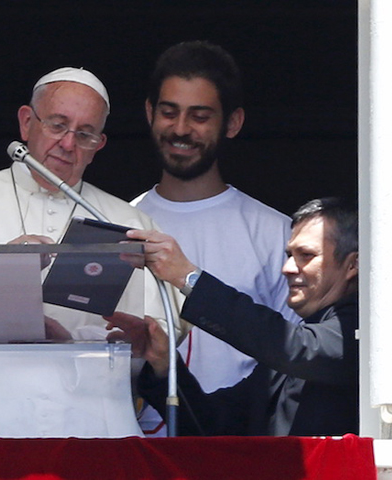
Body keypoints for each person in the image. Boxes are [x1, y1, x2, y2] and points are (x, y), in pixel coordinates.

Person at [0, 67, 184, 342]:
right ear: (27, 123)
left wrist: (81, 339)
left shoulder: (130, 221)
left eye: (84, 134)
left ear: (99, 145)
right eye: (58, 125)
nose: (68, 144)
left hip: (91, 393)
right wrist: (0, 272)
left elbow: (160, 334)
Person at [131, 41, 299, 435]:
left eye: (200, 116)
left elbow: (295, 359)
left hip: (241, 450)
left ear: (233, 122)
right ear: (149, 113)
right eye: (169, 112)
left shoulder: (276, 233)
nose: (181, 129)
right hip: (133, 448)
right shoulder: (118, 223)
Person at [107, 197, 359, 436]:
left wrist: (188, 278)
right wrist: (163, 364)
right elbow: (213, 425)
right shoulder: (290, 353)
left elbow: (300, 348)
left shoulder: (371, 332)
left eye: (307, 255)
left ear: (352, 265)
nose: (287, 268)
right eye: (289, 255)